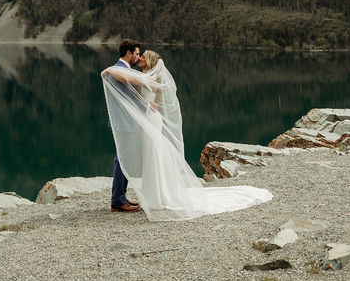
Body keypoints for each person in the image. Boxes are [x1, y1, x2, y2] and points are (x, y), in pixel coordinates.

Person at [101, 48, 273, 221]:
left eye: (143, 56)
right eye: (139, 55)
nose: (140, 58)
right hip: (148, 118)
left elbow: (131, 80)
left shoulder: (149, 78)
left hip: (151, 120)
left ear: (151, 61)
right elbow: (148, 94)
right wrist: (149, 102)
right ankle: (153, 195)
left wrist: (108, 70)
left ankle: (159, 196)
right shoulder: (147, 76)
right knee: (151, 155)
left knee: (154, 155)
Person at [107, 39, 146, 212]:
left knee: (123, 160)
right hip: (124, 123)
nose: (138, 57)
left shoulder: (119, 70)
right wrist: (148, 107)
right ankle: (118, 201)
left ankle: (120, 198)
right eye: (136, 54)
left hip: (125, 123)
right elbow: (131, 99)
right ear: (128, 53)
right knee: (122, 160)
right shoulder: (118, 70)